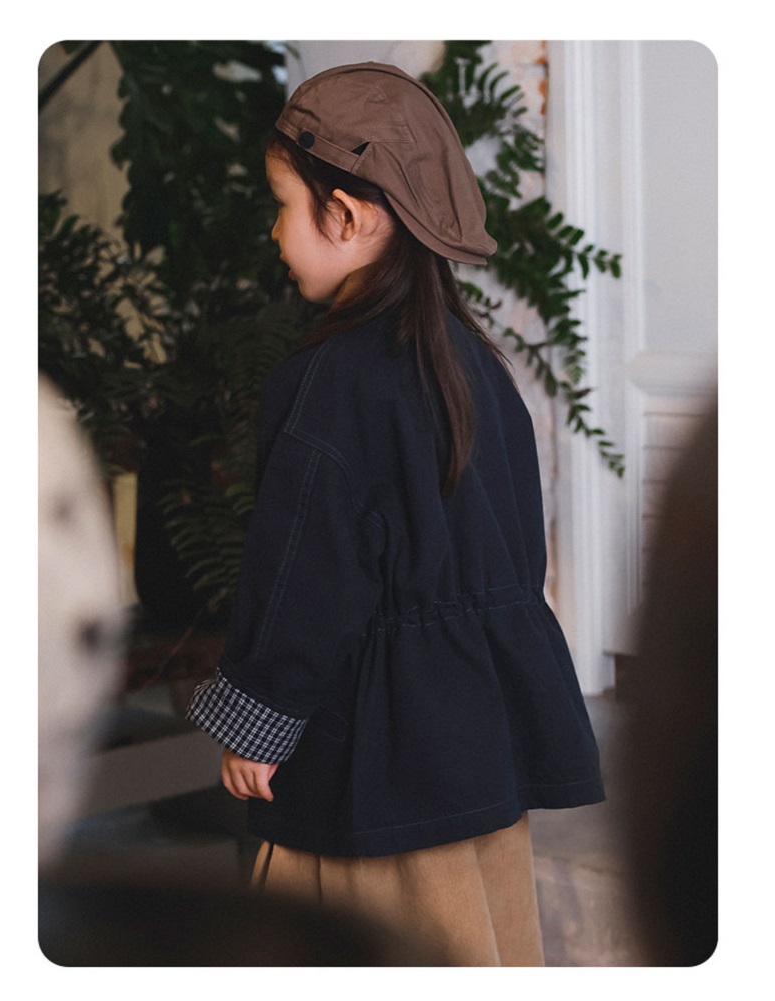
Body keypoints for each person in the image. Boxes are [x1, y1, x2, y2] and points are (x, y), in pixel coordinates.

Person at [187, 61, 605, 966]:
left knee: (360, 946)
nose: (274, 229)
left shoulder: (329, 383)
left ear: (350, 215)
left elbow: (303, 573)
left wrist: (262, 714)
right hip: (476, 747)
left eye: (284, 206)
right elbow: (515, 551)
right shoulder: (478, 366)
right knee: (478, 935)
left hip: (372, 766)